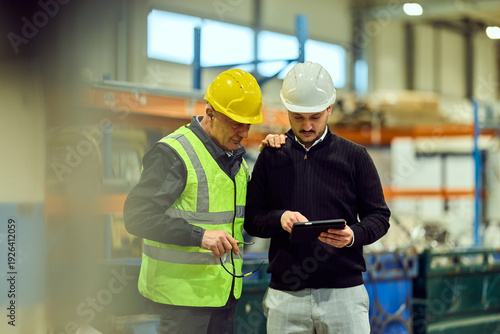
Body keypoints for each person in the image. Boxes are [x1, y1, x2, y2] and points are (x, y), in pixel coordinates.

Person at [244, 61, 391, 334]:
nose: (307, 126)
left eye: (315, 117)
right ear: (287, 111)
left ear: (329, 109)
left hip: (344, 295)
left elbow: (379, 216)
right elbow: (251, 219)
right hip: (287, 297)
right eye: (298, 118)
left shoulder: (355, 157)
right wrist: (281, 218)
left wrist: (353, 235)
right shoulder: (272, 155)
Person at [123, 68, 264, 334]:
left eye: (248, 124)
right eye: (236, 123)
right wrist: (199, 236)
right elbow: (137, 216)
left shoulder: (234, 159)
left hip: (222, 296)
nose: (244, 132)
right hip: (180, 302)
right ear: (210, 112)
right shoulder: (173, 154)